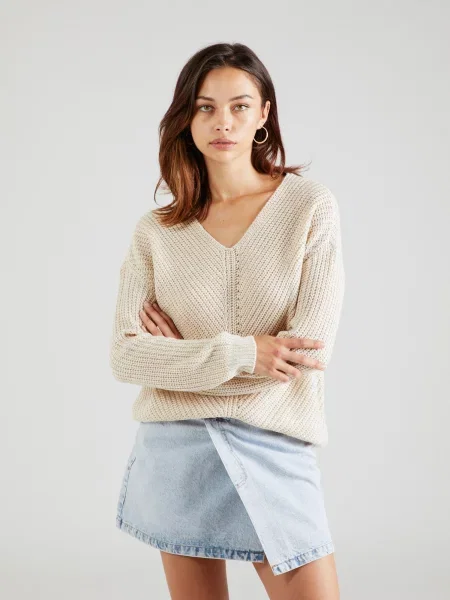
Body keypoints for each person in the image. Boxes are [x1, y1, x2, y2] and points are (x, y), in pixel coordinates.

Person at [110, 42, 345, 600]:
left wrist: (179, 361)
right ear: (186, 118)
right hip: (179, 450)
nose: (223, 122)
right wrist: (245, 353)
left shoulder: (309, 207)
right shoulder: (156, 232)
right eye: (206, 107)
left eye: (240, 106)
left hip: (274, 444)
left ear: (264, 114)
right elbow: (125, 355)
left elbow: (304, 355)